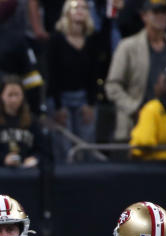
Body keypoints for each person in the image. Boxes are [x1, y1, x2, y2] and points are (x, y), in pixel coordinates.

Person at [105, 0, 166, 142]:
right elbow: (112, 86)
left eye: (165, 13)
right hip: (134, 122)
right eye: (156, 12)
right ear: (144, 16)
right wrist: (134, 109)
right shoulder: (127, 47)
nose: (161, 17)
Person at [48, 0, 99, 162]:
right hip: (60, 98)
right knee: (64, 147)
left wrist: (90, 103)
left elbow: (94, 74)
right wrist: (58, 106)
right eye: (76, 7)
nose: (80, 10)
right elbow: (52, 73)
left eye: (84, 7)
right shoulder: (56, 39)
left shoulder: (92, 40)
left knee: (86, 145)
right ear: (67, 11)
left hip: (84, 97)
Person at [0, 76, 42, 168]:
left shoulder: (32, 121)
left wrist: (34, 158)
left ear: (23, 96)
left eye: (17, 95)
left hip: (28, 172)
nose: (14, 99)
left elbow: (43, 150)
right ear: (1, 96)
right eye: (10, 95)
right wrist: (3, 159)